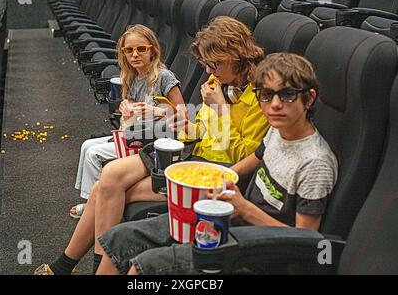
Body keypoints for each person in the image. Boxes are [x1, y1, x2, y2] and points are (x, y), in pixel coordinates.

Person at [34, 16, 269, 275]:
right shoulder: (219, 85)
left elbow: (247, 156)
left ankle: (79, 267)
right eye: (206, 64)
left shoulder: (261, 97)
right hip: (190, 154)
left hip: (214, 172)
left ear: (237, 54)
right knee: (108, 179)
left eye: (215, 63)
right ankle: (69, 266)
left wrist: (221, 109)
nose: (210, 71)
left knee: (105, 189)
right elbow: (199, 131)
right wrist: (177, 120)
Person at [95, 52, 339, 275]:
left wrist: (244, 208)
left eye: (286, 94)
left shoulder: (315, 163)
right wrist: (215, 180)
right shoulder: (278, 131)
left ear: (308, 99)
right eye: (266, 95)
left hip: (258, 250)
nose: (274, 104)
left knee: (143, 267)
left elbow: (306, 240)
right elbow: (254, 159)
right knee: (116, 240)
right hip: (231, 220)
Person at [70, 24, 184, 218]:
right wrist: (126, 113)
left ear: (152, 51)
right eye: (129, 50)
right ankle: (93, 200)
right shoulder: (131, 77)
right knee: (86, 145)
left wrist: (155, 110)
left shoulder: (164, 77)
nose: (135, 55)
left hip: (156, 139)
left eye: (141, 49)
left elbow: (183, 115)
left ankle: (95, 205)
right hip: (135, 133)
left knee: (94, 153)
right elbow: (129, 119)